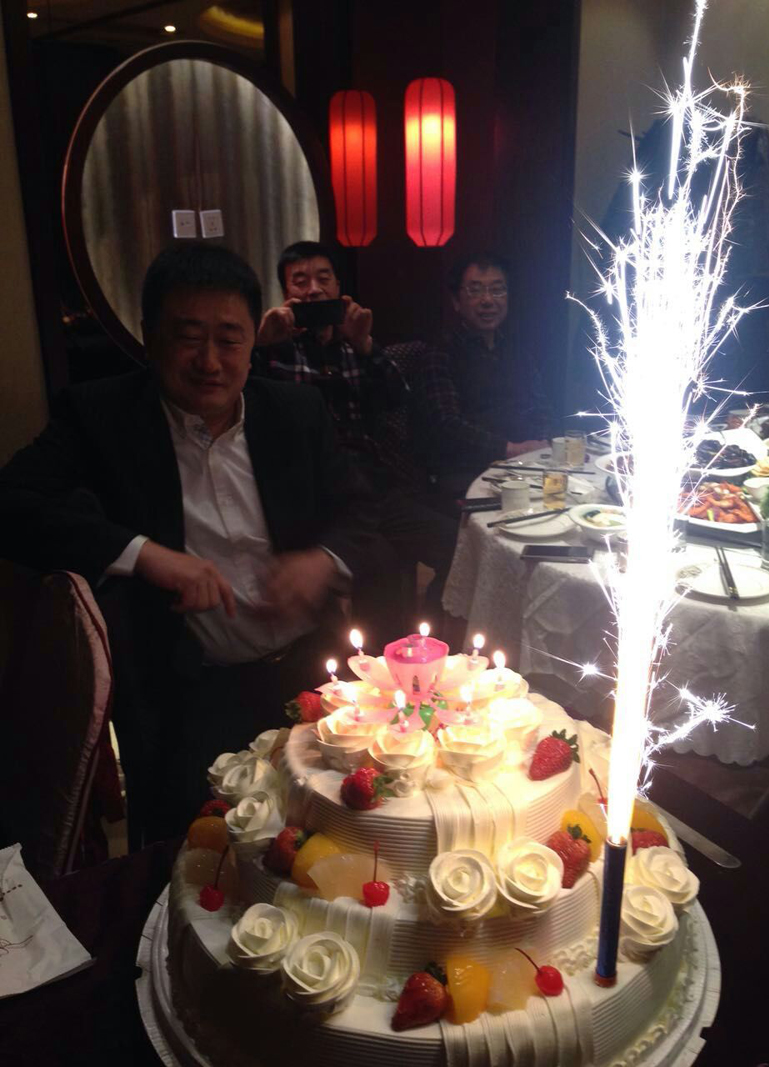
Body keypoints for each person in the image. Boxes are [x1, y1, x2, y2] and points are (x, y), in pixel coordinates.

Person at [0, 243, 376, 844]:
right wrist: (144, 554)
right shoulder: (102, 415)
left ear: (254, 340)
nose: (210, 361)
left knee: (326, 847)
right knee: (193, 858)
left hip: (310, 680)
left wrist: (322, 561)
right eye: (188, 337)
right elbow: (12, 503)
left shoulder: (295, 410)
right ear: (149, 335)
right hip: (182, 694)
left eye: (229, 339)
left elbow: (363, 513)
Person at [253, 240, 458, 641]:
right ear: (285, 293)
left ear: (338, 288)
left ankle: (433, 644)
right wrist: (260, 345)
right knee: (381, 566)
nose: (313, 289)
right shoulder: (274, 350)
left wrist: (365, 344)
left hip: (376, 487)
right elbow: (246, 406)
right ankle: (377, 665)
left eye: (323, 278)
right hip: (320, 496)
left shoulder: (352, 344)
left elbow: (398, 399)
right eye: (300, 281)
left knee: (458, 546)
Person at [412, 251, 553, 503]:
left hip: (525, 469)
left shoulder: (517, 350)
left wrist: (541, 443)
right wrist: (510, 449)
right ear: (456, 301)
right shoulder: (440, 352)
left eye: (497, 290)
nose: (487, 300)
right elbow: (446, 426)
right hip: (467, 475)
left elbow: (540, 407)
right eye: (475, 291)